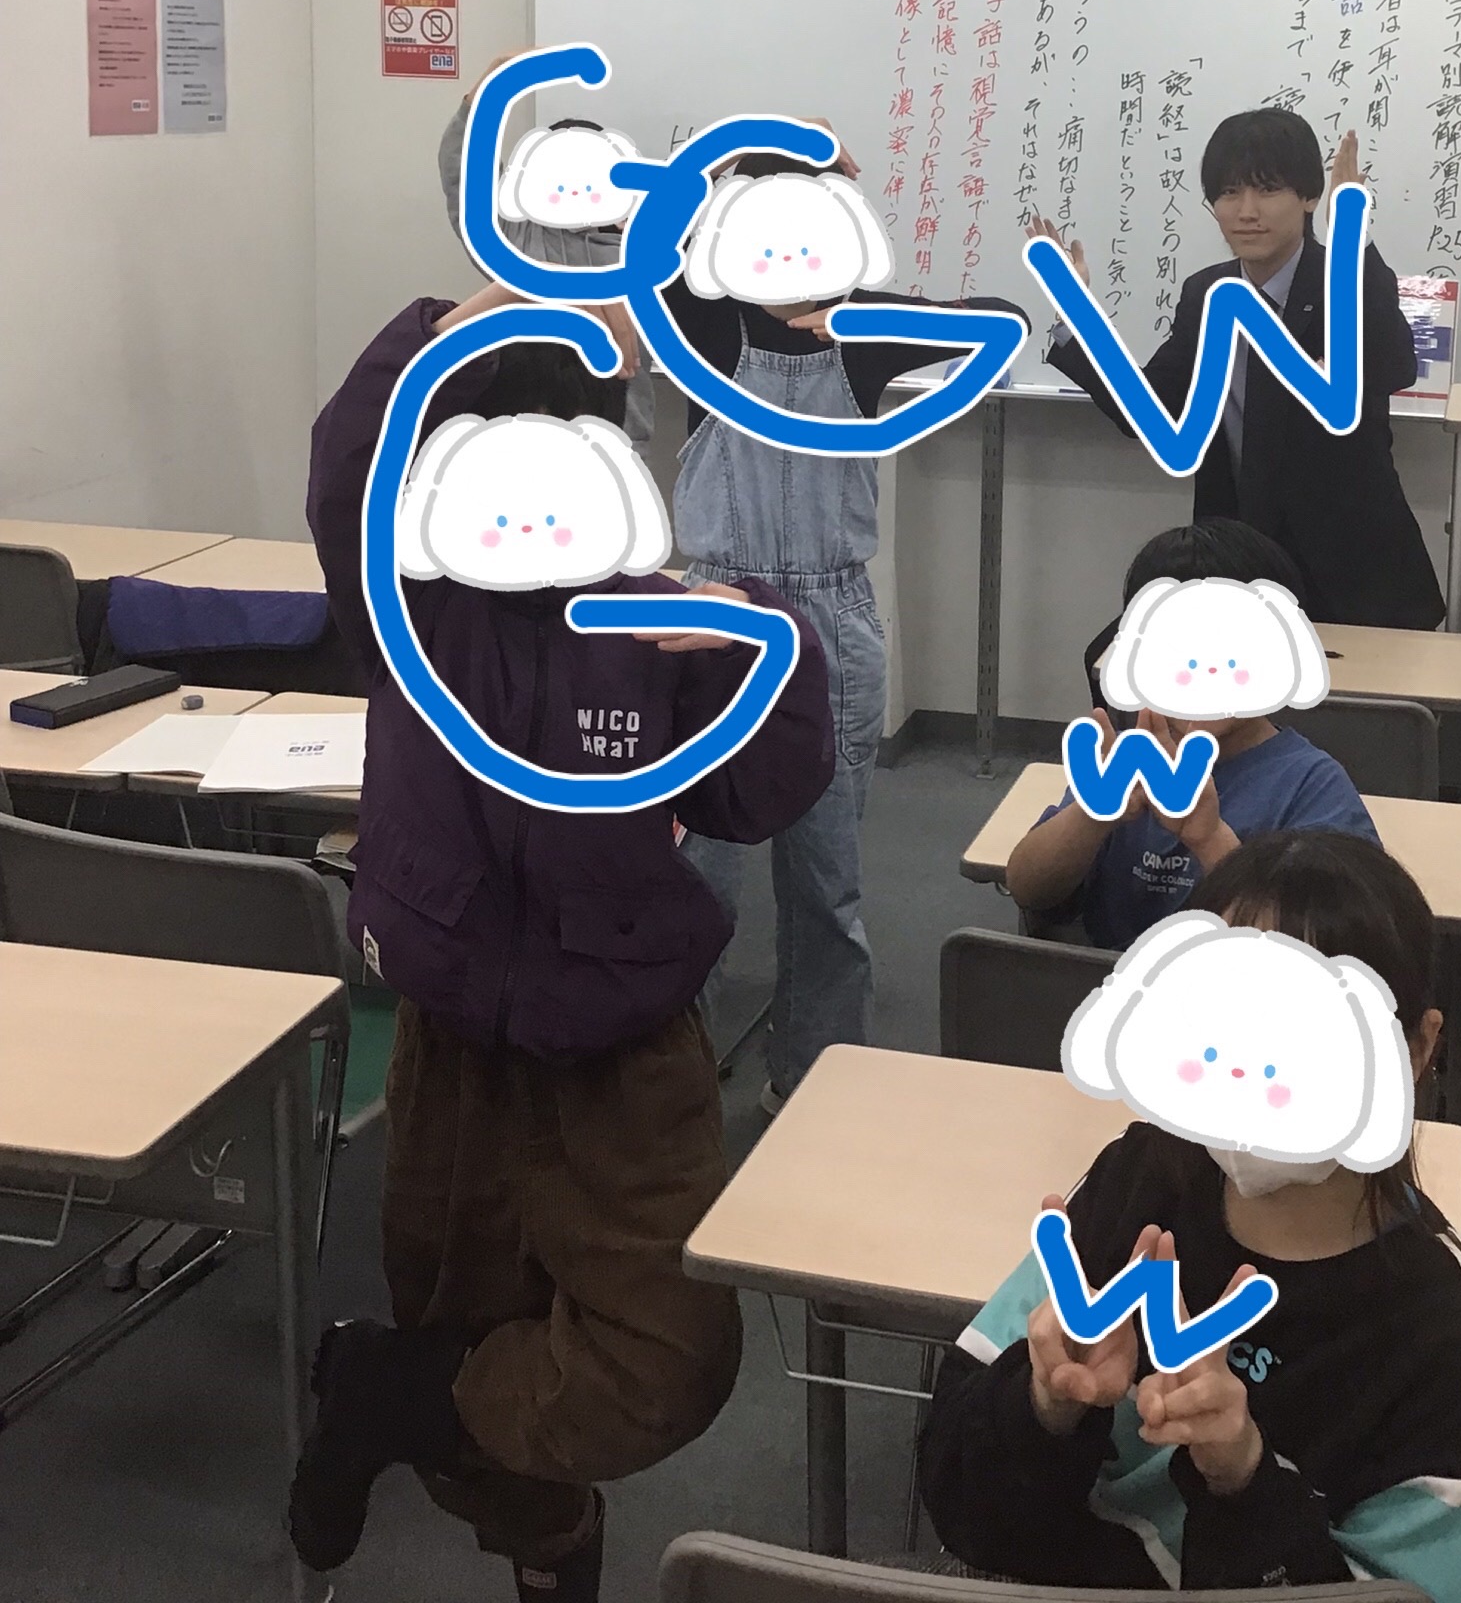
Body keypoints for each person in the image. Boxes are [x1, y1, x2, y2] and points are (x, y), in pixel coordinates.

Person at [291, 279, 836, 1601]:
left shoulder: (654, 617)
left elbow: (760, 793)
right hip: (456, 1039)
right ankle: (545, 1546)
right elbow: (347, 462)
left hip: (623, 1047)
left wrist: (767, 644)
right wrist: (445, 327)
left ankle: (385, 1391)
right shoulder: (411, 607)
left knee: (667, 1358)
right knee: (469, 1316)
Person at [919, 832, 1461, 1600]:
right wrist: (1044, 1405)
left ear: (1416, 1049)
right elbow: (960, 1502)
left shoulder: (1457, 1354)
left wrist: (1242, 1476)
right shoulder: (1136, 1179)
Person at [663, 147, 1027, 1115]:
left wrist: (867, 315)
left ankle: (813, 1080)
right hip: (718, 618)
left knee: (824, 880)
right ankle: (669, 1079)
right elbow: (656, 233)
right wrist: (759, 149)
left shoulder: (860, 334)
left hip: (830, 623)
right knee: (696, 870)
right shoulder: (704, 319)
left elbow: (1004, 322)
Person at [1034, 110, 1444, 631]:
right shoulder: (1206, 293)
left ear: (1309, 198)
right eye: (1229, 193)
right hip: (1238, 568)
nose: (1247, 212)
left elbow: (1393, 364)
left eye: (1267, 190)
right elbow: (1150, 407)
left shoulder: (1341, 280)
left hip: (1354, 578)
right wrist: (1075, 318)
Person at [1005, 521, 1377, 947]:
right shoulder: (1129, 757)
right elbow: (1027, 888)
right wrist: (1090, 817)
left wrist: (1211, 840)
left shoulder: (1312, 784)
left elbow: (1330, 945)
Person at [440, 73, 655, 454]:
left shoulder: (639, 255)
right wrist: (479, 99)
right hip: (522, 431)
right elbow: (466, 173)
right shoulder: (515, 239)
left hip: (619, 439)